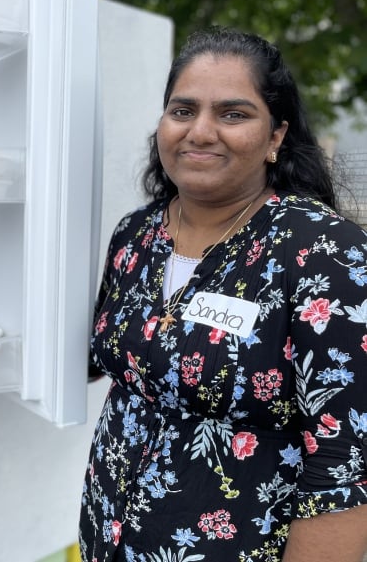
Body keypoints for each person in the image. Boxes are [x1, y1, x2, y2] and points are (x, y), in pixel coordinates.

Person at [79, 27, 367, 562]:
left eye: (233, 114)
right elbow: (97, 357)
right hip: (106, 541)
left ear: (276, 136)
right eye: (182, 111)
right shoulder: (135, 236)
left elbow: (345, 461)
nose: (200, 131)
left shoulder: (326, 253)